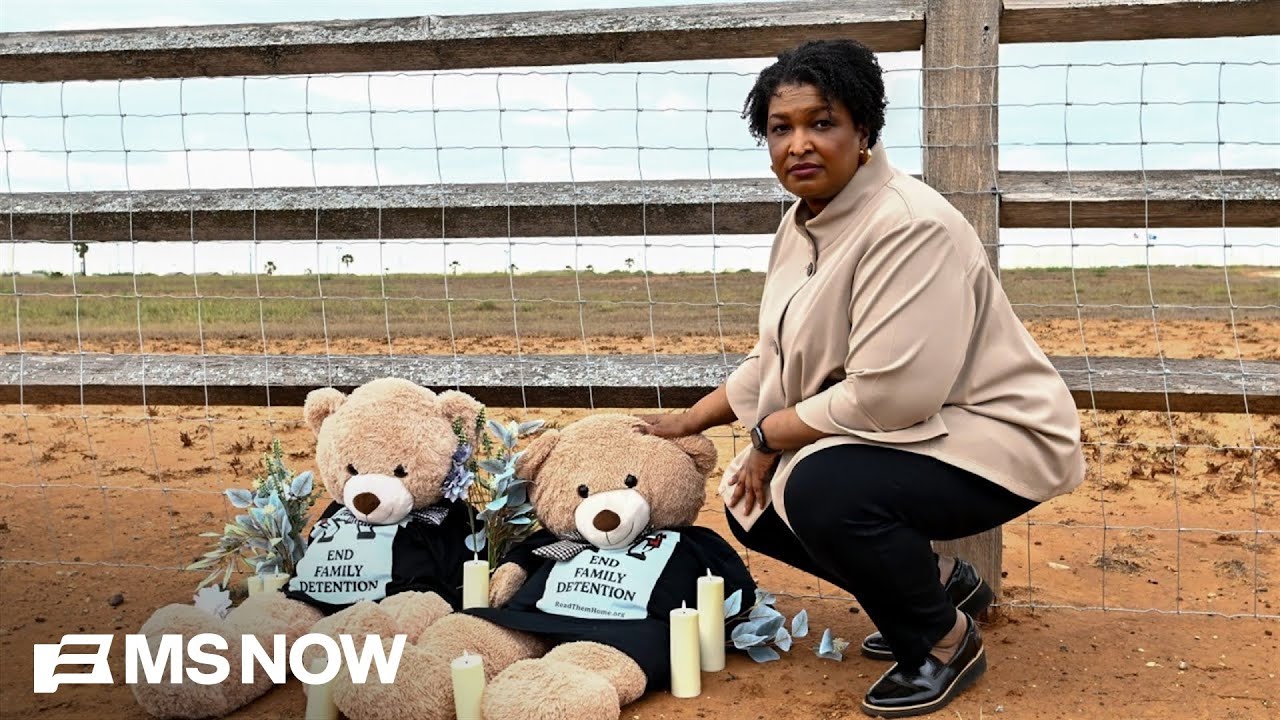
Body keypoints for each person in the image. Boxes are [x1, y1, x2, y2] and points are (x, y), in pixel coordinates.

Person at [637, 39, 1084, 718]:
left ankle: (941, 641)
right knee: (750, 503)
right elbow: (782, 359)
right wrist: (691, 420)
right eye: (781, 129)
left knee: (819, 490)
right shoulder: (803, 223)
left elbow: (890, 393)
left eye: (823, 123)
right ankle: (940, 585)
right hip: (921, 433)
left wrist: (766, 441)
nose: (799, 145)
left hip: (998, 436)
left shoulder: (909, 225)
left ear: (864, 131)